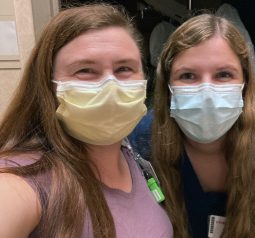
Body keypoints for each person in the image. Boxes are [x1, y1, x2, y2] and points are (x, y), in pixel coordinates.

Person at [0, 4, 173, 238]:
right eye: (85, 70)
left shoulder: (134, 157)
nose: (110, 86)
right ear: (48, 86)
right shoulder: (27, 181)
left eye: (124, 68)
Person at [129, 14, 255, 238]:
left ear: (245, 83)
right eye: (188, 75)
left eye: (224, 74)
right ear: (167, 86)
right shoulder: (141, 139)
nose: (206, 93)